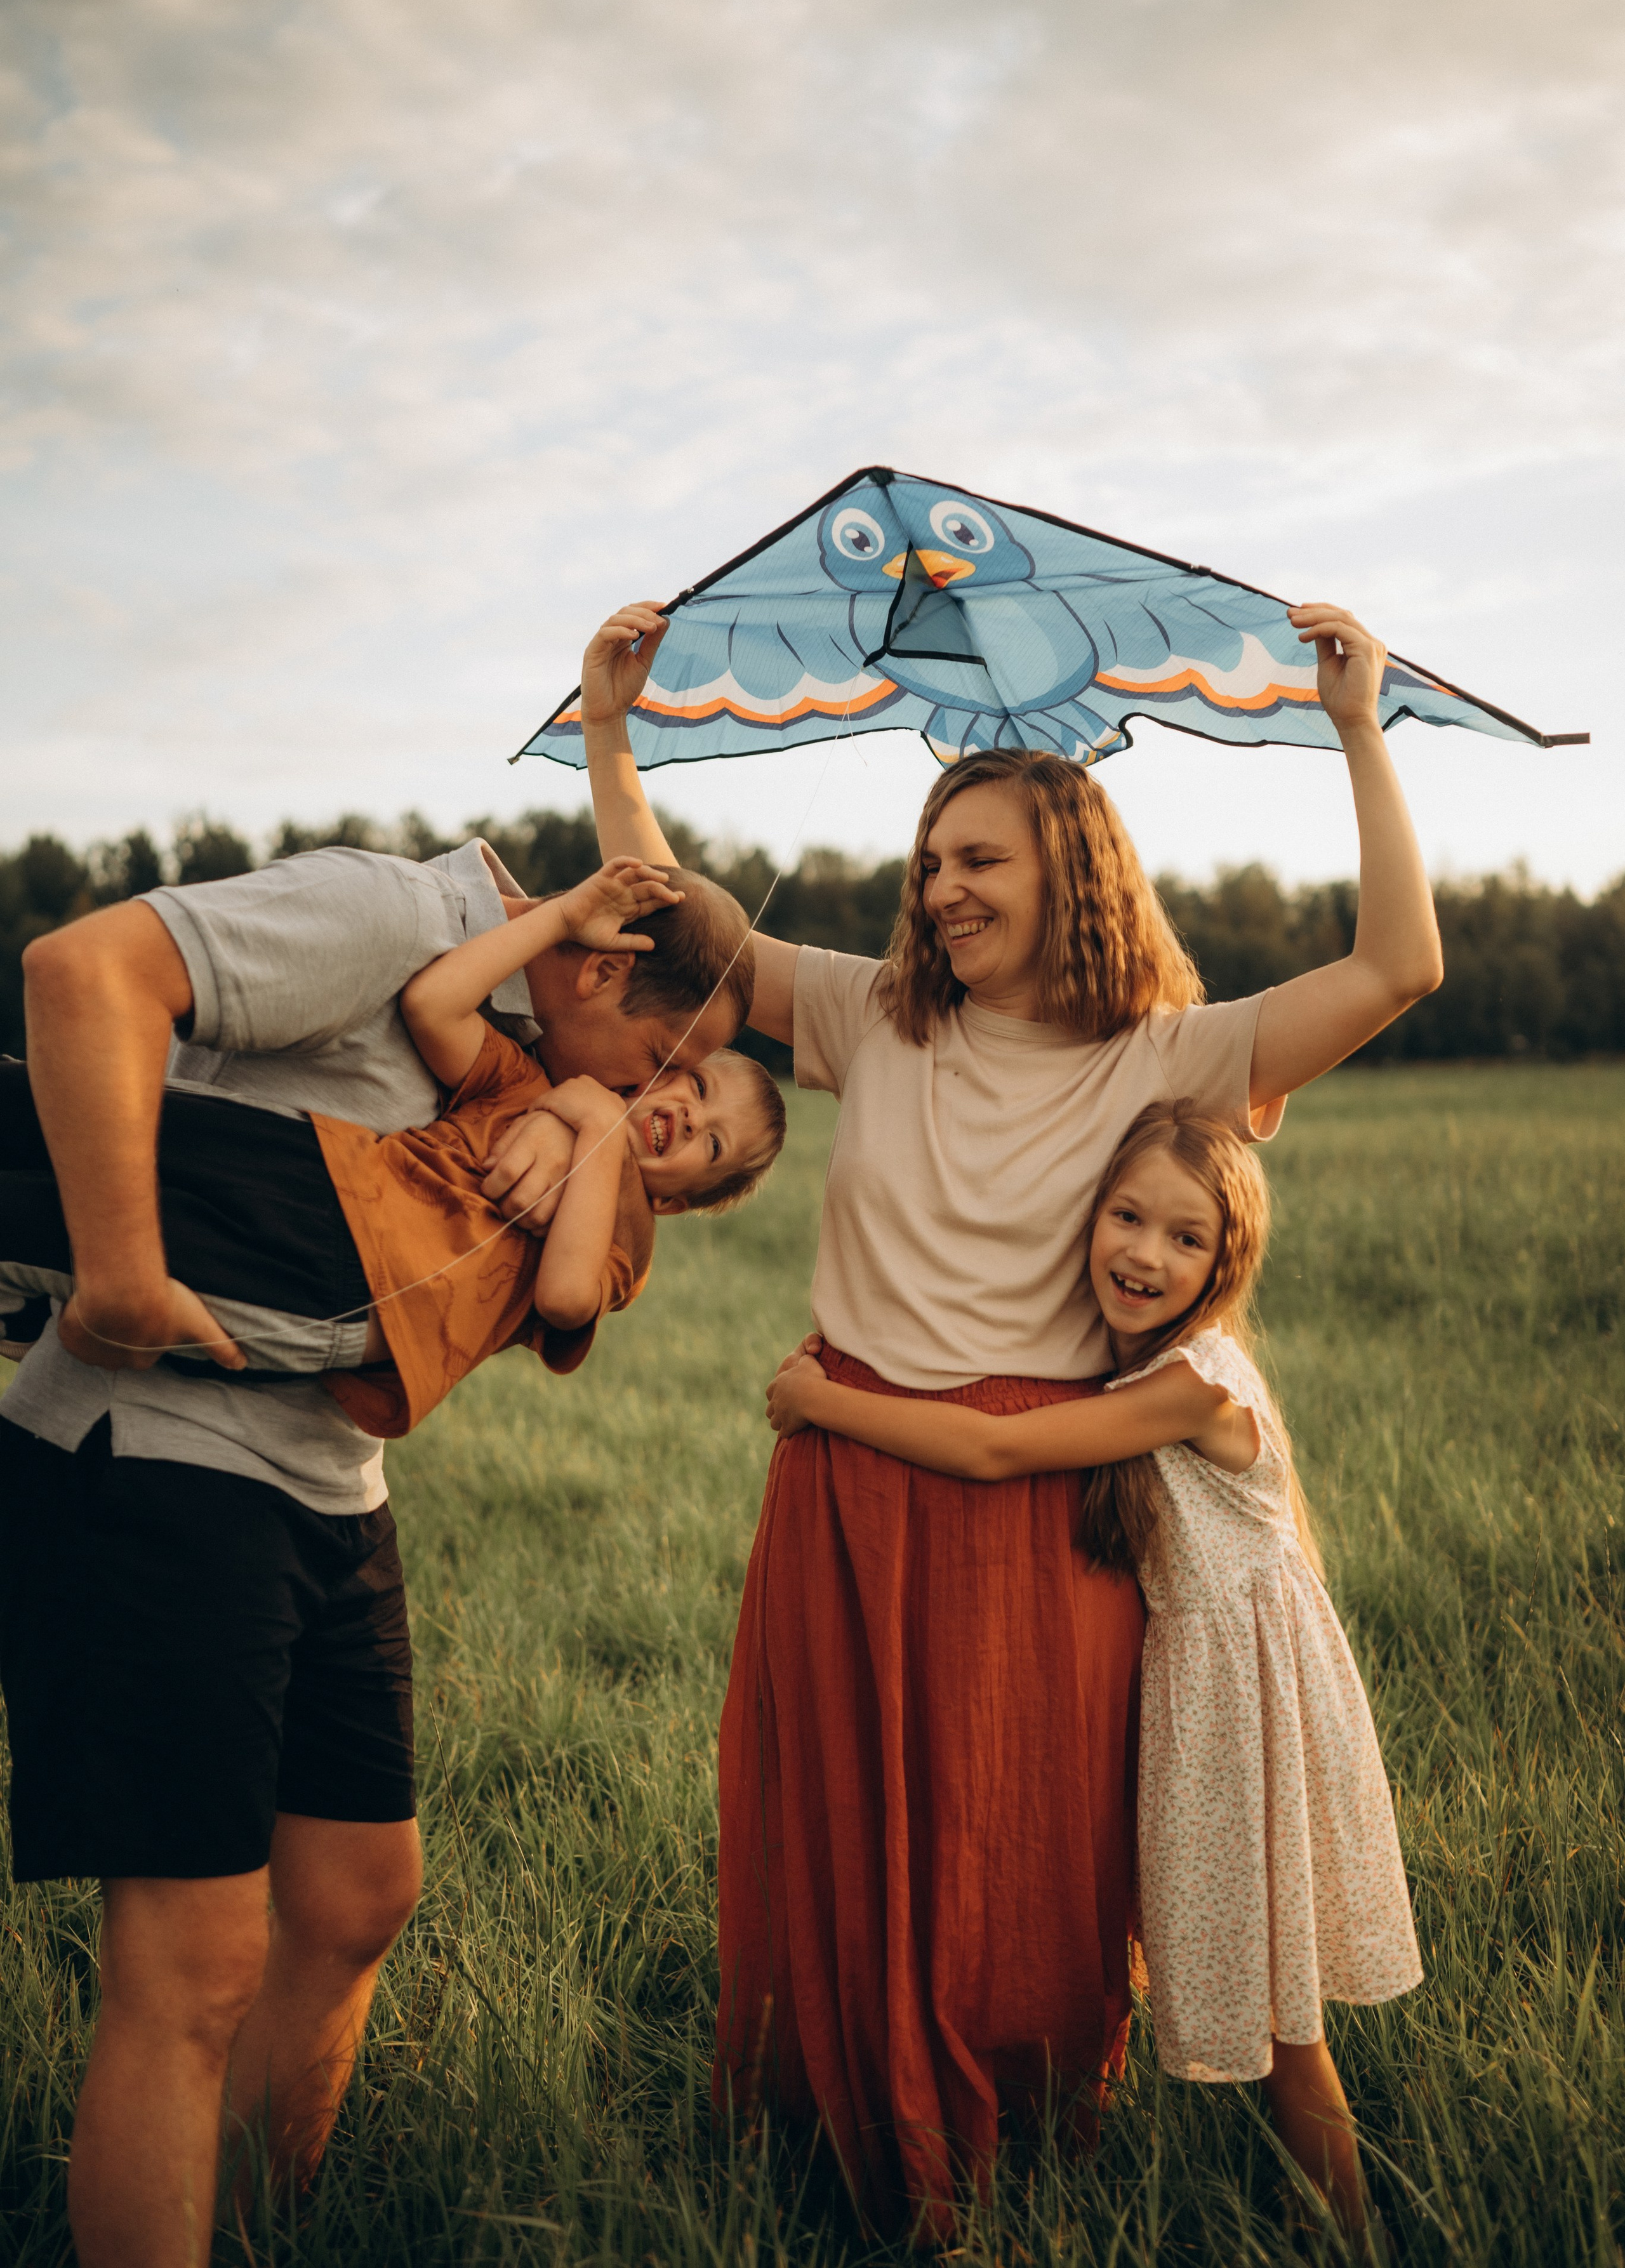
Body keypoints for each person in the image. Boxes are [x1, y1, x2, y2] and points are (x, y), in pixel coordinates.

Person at [580, 593, 1442, 2232]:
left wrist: (1354, 726)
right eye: (931, 858)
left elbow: (1402, 964)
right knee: (837, 1837)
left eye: (978, 857)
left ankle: (1027, 2163)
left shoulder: (1173, 1053)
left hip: (1034, 1503)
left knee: (1019, 1853)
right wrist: (615, 735)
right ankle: (831, 2152)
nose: (942, 885)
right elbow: (692, 936)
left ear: (1073, 869)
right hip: (841, 1477)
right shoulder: (875, 1015)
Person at [0, 830, 752, 2268]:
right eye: (670, 1053)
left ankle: (249, 2228)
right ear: (595, 968)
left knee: (355, 1896)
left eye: (690, 1096)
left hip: (327, 1480)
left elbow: (566, 1245)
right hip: (161, 1456)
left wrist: (588, 1108)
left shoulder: (546, 1073)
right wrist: (120, 1274)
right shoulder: (391, 912)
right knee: (199, 1956)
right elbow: (79, 968)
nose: (660, 1090)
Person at [766, 1099, 1422, 2242]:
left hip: (1246, 1718)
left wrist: (822, 1401)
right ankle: (1308, 2221)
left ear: (1227, 1262)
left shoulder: (1200, 1382)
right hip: (1202, 1711)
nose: (1144, 1254)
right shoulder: (1130, 1374)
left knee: (1287, 2037)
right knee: (1257, 2007)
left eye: (1185, 1239)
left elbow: (996, 1448)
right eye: (1126, 1217)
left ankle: (1354, 2237)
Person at [1, 857, 786, 1439]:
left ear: (682, 1200)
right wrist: (555, 920)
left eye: (710, 1141)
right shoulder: (520, 1069)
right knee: (56, 1125)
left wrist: (596, 1126)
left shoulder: (618, 1202)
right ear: (606, 970)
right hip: (321, 1170)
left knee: (51, 1221)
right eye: (670, 1071)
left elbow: (568, 1296)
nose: (674, 1106)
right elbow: (432, 1002)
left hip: (333, 1277)